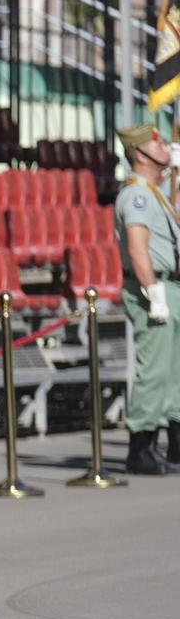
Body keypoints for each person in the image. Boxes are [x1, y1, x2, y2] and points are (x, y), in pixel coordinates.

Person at [112, 122, 180, 475]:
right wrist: (153, 292)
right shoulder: (136, 194)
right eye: (157, 145)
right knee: (154, 369)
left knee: (175, 370)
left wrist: (177, 174)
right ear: (140, 154)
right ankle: (141, 447)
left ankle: (173, 445)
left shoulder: (154, 191)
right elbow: (138, 248)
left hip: (171, 284)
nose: (165, 147)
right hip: (151, 286)